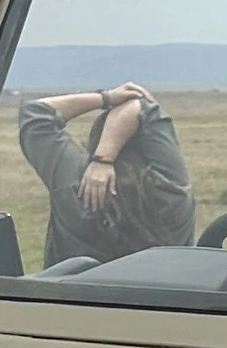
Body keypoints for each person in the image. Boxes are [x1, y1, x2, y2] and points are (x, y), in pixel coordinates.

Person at [16, 82, 197, 268]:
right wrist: (106, 157)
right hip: (158, 295)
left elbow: (35, 112)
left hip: (76, 296)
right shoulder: (172, 190)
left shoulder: (75, 182)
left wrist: (106, 98)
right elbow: (141, 108)